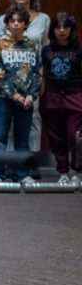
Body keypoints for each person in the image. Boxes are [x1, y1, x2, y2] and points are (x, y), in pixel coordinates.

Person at [0, 0, 50, 153]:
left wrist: (38, 85)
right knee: (4, 126)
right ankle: (7, 165)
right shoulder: (4, 19)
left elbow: (45, 52)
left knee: (32, 122)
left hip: (30, 82)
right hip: (7, 83)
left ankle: (28, 164)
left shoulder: (43, 19)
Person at [0, 7, 42, 182]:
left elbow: (38, 73)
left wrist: (30, 96)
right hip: (5, 98)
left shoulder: (32, 45)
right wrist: (16, 96)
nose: (16, 24)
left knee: (22, 138)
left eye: (20, 21)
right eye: (12, 21)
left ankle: (22, 174)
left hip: (26, 100)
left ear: (26, 24)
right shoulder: (0, 45)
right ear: (8, 24)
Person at [40, 12, 82, 184]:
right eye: (58, 27)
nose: (62, 31)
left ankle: (77, 171)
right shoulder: (47, 51)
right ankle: (63, 171)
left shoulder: (78, 50)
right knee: (57, 138)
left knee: (75, 136)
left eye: (66, 27)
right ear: (53, 30)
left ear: (72, 29)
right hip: (52, 97)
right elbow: (41, 76)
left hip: (74, 96)